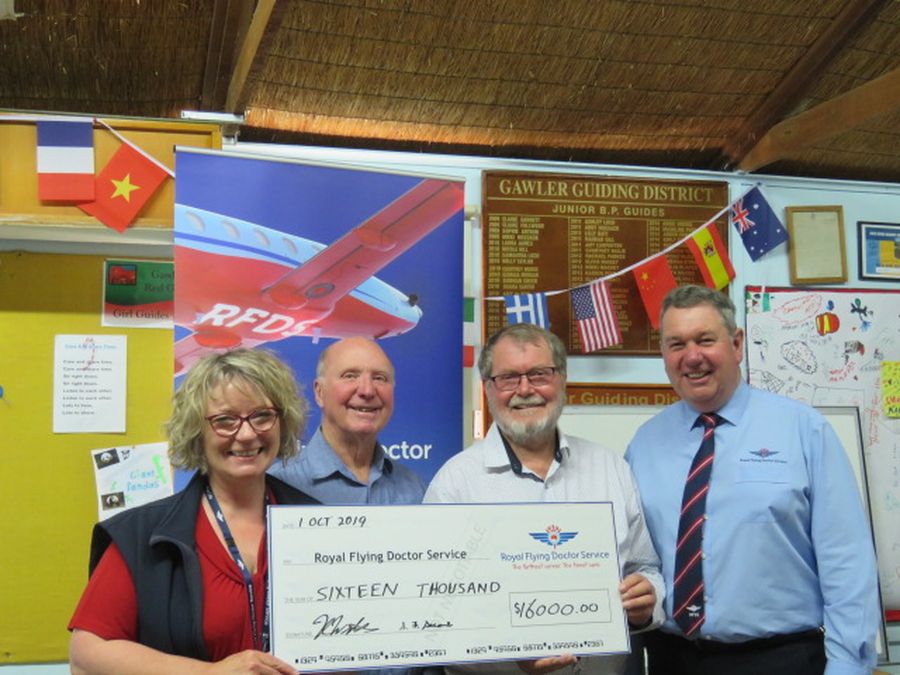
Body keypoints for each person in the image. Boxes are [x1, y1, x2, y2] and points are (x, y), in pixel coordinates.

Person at [624, 285, 879, 675]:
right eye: (676, 344)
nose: (691, 357)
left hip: (781, 659)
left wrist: (848, 665)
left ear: (737, 343)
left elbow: (847, 560)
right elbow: (636, 560)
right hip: (671, 658)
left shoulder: (803, 430)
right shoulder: (644, 444)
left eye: (705, 340)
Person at [425, 323, 664, 675]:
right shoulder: (455, 484)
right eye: (508, 377)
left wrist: (648, 602)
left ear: (562, 380)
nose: (525, 389)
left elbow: (645, 570)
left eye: (539, 374)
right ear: (488, 388)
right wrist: (506, 653)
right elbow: (432, 610)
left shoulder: (610, 468)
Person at [69, 348, 317, 674]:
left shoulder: (317, 523)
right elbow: (85, 657)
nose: (246, 434)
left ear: (282, 422)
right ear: (196, 431)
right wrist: (208, 673)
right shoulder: (142, 534)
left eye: (261, 416)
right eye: (225, 420)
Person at [270, 335, 423, 505]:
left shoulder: (414, 489)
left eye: (379, 378)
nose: (367, 390)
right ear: (319, 392)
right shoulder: (275, 485)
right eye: (350, 376)